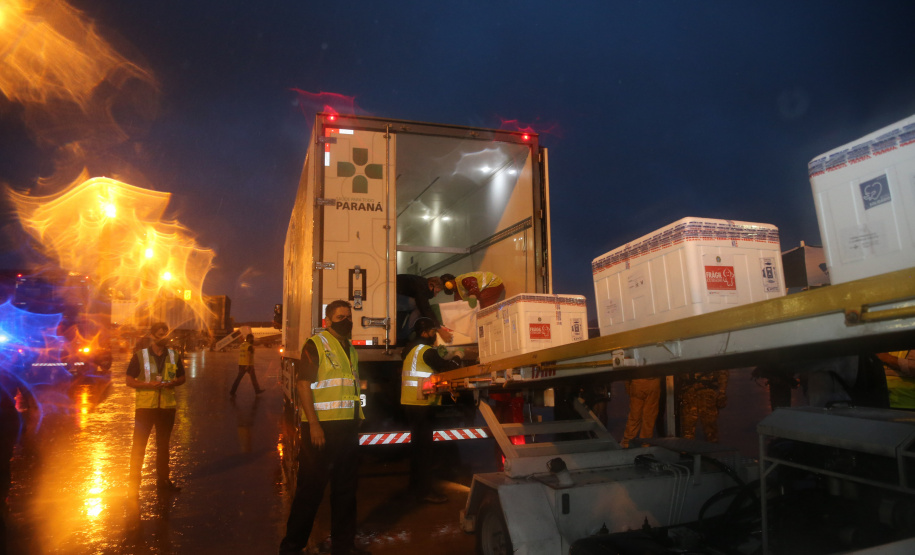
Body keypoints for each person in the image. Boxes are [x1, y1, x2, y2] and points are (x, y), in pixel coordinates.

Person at [280, 301, 370, 555]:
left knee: (345, 491)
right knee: (310, 491)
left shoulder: (349, 348)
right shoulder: (315, 345)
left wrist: (357, 418)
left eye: (349, 316)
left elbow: (349, 386)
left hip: (346, 429)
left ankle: (343, 546)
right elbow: (302, 385)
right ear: (327, 321)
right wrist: (314, 425)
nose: (347, 320)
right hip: (321, 431)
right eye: (341, 317)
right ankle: (291, 548)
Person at [400, 317, 460, 504]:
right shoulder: (425, 351)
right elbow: (448, 368)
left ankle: (414, 489)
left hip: (410, 403)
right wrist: (458, 356)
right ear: (425, 333)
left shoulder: (410, 349)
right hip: (422, 404)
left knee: (418, 450)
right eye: (433, 332)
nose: (435, 336)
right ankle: (425, 491)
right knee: (425, 452)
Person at [126, 322, 186, 495]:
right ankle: (133, 485)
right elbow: (129, 381)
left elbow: (182, 377)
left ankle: (163, 481)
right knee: (139, 446)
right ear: (152, 335)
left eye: (165, 334)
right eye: (160, 335)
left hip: (167, 408)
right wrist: (148, 385)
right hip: (145, 408)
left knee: (163, 446)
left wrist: (174, 382)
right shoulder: (140, 356)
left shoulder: (174, 355)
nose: (163, 338)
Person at [395, 274, 452, 345]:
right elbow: (425, 308)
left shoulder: (418, 283)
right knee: (418, 306)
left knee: (404, 312)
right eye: (436, 292)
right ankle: (403, 337)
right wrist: (439, 329)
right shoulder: (422, 286)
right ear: (431, 285)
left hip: (393, 295)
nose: (435, 295)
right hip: (392, 296)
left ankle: (397, 337)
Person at [679, 370, 729, 443]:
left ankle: (710, 450)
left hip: (706, 390)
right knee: (688, 429)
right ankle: (688, 452)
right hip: (690, 390)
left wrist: (722, 392)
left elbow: (722, 370)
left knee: (710, 428)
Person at [620, 377, 661, 448]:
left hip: (637, 381)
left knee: (634, 415)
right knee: (649, 417)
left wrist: (627, 386)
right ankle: (645, 443)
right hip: (653, 381)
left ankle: (627, 441)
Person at [440, 271, 506, 309]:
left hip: (493, 283)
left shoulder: (463, 280)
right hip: (489, 286)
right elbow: (459, 304)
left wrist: (471, 304)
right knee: (475, 306)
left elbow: (474, 290)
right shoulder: (457, 290)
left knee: (480, 305)